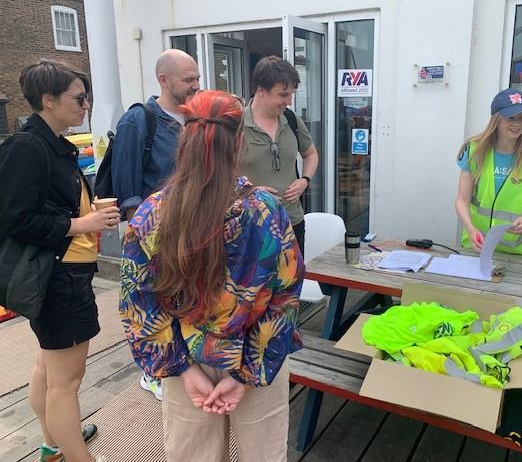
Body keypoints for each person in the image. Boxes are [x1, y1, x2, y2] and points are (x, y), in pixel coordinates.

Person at [120, 90, 304, 461]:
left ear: (184, 138)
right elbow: (285, 297)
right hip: (258, 356)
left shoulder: (151, 215)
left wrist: (183, 370)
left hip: (183, 356)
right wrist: (244, 375)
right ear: (238, 142)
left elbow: (137, 305)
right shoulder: (266, 212)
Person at [0, 60, 119, 462]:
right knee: (65, 382)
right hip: (58, 276)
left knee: (48, 369)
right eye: (79, 97)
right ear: (48, 100)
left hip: (63, 273)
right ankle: (73, 455)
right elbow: (16, 219)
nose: (86, 105)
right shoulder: (29, 147)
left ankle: (53, 443)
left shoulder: (49, 143)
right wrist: (84, 222)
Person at [112, 48, 200, 400]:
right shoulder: (137, 122)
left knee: (183, 309)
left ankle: (180, 366)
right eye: (188, 80)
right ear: (164, 80)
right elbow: (128, 196)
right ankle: (153, 373)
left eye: (197, 78)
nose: (196, 85)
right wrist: (150, 249)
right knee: (156, 308)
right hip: (157, 242)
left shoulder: (194, 119)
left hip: (192, 238)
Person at [455, 88, 522, 256]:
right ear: (496, 119)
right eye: (510, 118)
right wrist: (470, 229)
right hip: (478, 247)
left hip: (520, 253)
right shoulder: (474, 150)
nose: (517, 124)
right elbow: (462, 200)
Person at [239, 55, 319, 256]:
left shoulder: (291, 120)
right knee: (255, 288)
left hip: (292, 221)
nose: (289, 101)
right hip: (251, 226)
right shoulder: (234, 125)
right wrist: (247, 191)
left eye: (291, 94)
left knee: (292, 285)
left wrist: (305, 181)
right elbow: (217, 174)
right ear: (260, 90)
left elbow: (310, 154)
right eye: (283, 95)